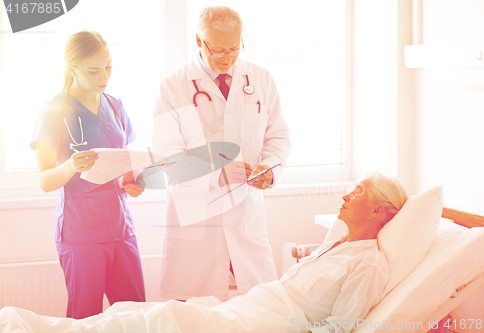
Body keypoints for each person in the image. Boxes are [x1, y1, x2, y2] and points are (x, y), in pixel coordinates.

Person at [0, 172, 408, 333]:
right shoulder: (337, 244)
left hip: (271, 322)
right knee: (132, 313)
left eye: (356, 192)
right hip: (255, 305)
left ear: (379, 210)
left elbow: (343, 326)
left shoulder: (368, 263)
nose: (345, 193)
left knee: (165, 317)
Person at [153, 6, 291, 301]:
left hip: (245, 212)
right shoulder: (172, 88)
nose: (228, 58)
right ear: (199, 42)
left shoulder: (260, 79)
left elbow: (277, 136)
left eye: (234, 48)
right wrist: (218, 175)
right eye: (219, 51)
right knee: (192, 312)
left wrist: (269, 170)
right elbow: (168, 156)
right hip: (196, 218)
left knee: (259, 307)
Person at [29, 30, 146, 319]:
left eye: (108, 66)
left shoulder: (116, 106)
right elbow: (45, 181)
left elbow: (126, 165)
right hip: (81, 233)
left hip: (120, 228)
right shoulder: (54, 110)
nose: (104, 75)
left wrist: (135, 181)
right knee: (85, 318)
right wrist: (71, 165)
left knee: (136, 315)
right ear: (72, 69)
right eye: (93, 70)